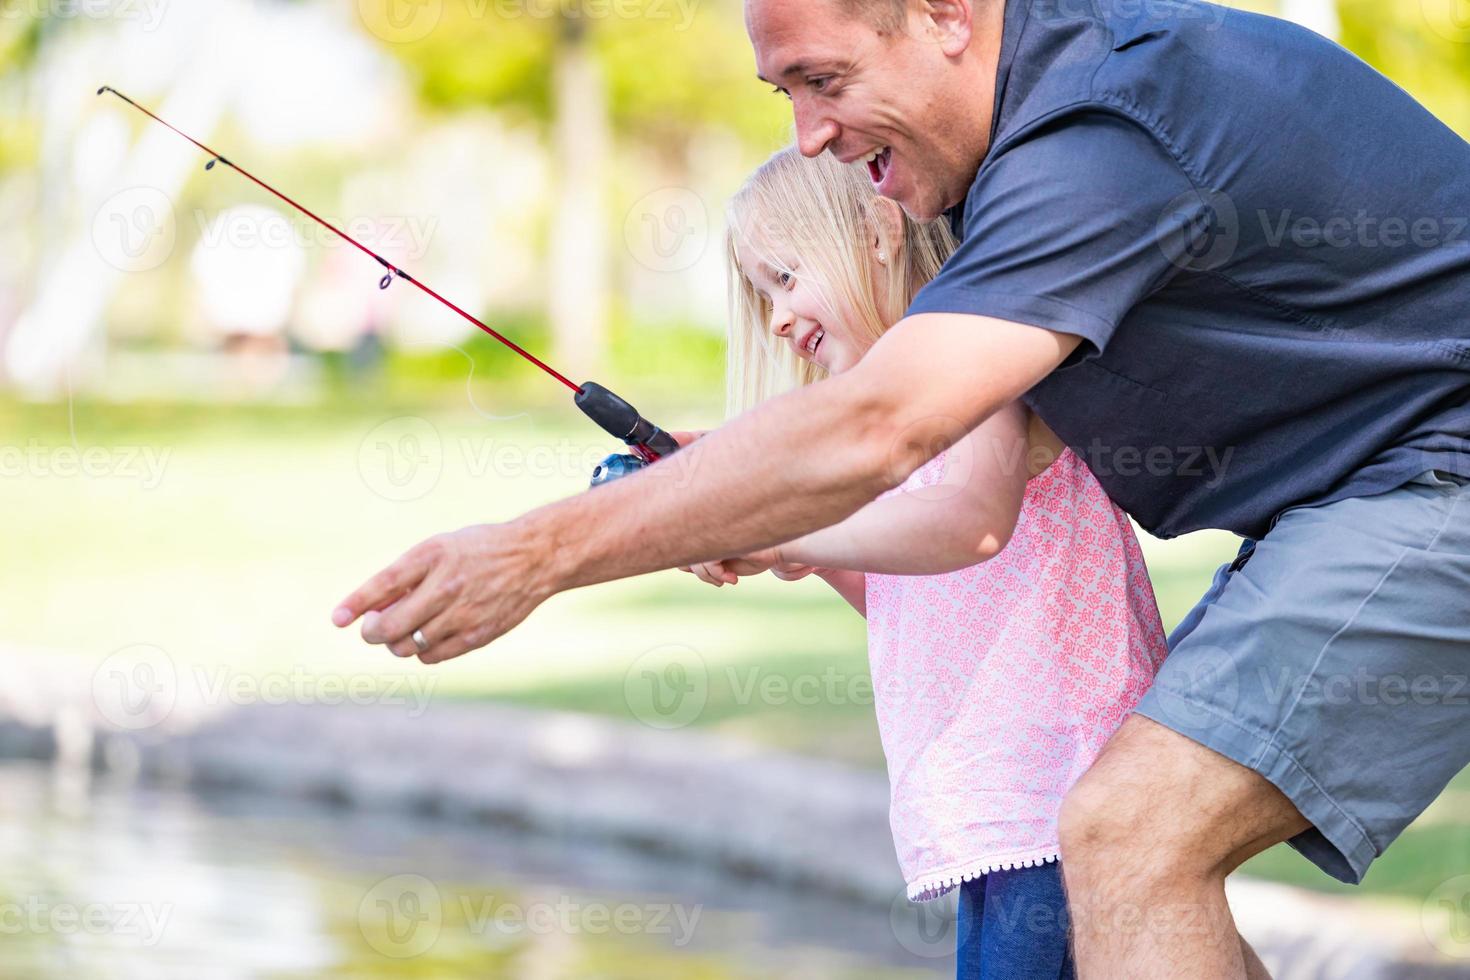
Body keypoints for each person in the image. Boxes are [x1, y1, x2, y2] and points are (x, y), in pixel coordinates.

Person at [332, 2, 1470, 974]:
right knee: (1133, 840)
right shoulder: (1024, 153)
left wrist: (535, 553)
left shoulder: (1099, 133)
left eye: (823, 80)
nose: (810, 133)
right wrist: (745, 496)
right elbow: (879, 452)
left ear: (945, 13)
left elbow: (883, 425)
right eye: (784, 90)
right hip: (1359, 492)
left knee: (1133, 832)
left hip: (1439, 468)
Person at [685, 144, 1169, 975]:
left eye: (787, 278)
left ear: (876, 234)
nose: (775, 319)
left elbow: (970, 525)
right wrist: (789, 547)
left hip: (1057, 789)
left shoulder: (976, 362)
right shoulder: (921, 411)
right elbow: (923, 602)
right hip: (1004, 806)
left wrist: (792, 533)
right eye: (764, 294)